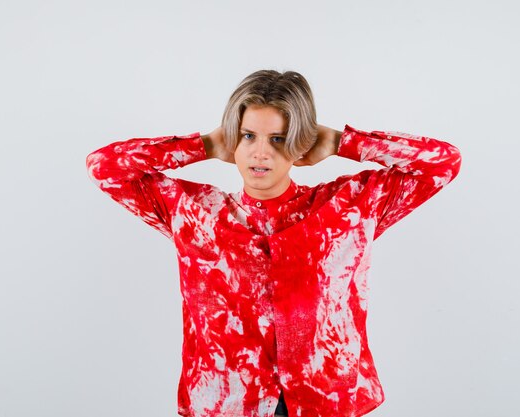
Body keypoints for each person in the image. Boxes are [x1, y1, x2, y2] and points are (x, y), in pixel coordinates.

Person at [86, 70, 461, 417]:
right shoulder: (193, 212)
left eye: (278, 139)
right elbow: (104, 166)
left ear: (301, 143)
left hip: (327, 401)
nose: (260, 152)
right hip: (227, 402)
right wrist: (203, 145)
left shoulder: (349, 207)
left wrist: (340, 142)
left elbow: (442, 163)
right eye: (248, 136)